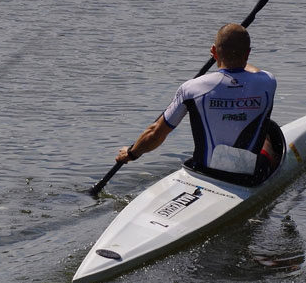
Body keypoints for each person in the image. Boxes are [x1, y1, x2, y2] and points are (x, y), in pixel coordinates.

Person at [116, 23, 278, 185]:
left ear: (214, 51)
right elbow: (254, 71)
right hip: (248, 177)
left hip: (204, 172)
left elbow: (156, 134)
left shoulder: (192, 88)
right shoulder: (268, 82)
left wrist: (131, 153)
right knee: (268, 131)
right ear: (248, 53)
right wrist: (236, 55)